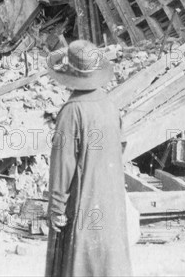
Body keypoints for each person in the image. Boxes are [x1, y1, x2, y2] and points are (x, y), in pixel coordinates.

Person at [45, 40, 133, 277]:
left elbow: (63, 165)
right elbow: (120, 146)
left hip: (82, 201)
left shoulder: (72, 111)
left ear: (70, 74)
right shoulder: (109, 106)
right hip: (110, 199)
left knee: (79, 262)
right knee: (108, 262)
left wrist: (56, 208)